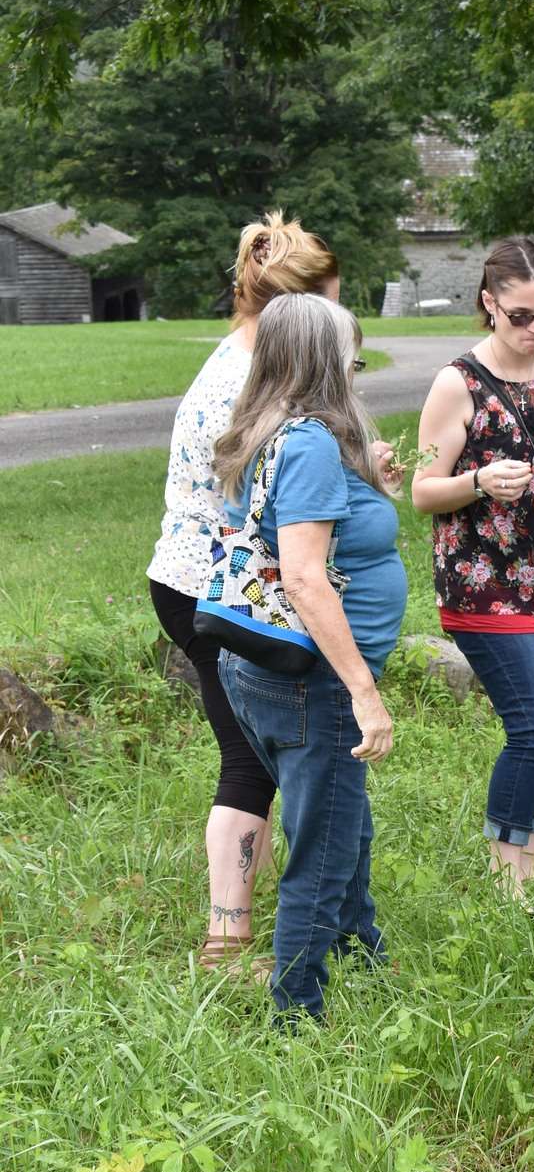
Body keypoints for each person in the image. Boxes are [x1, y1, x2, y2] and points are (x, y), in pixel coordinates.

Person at [146, 211, 340, 969]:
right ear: (302, 311)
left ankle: (237, 930)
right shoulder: (249, 385)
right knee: (249, 759)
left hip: (192, 576)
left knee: (251, 751)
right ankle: (225, 943)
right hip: (213, 591)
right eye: (331, 305)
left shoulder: (247, 354)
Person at [214, 293, 407, 1022]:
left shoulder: (263, 429)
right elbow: (302, 575)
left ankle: (363, 950)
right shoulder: (310, 445)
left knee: (341, 821)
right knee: (321, 850)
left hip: (259, 671)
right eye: (349, 355)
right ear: (324, 361)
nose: (357, 366)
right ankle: (296, 1014)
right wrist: (363, 690)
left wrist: (368, 482)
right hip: (315, 684)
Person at [411, 236, 534, 903]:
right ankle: (508, 890)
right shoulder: (456, 382)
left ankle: (524, 873)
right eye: (519, 316)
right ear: (488, 305)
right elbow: (421, 491)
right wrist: (478, 480)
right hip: (482, 584)